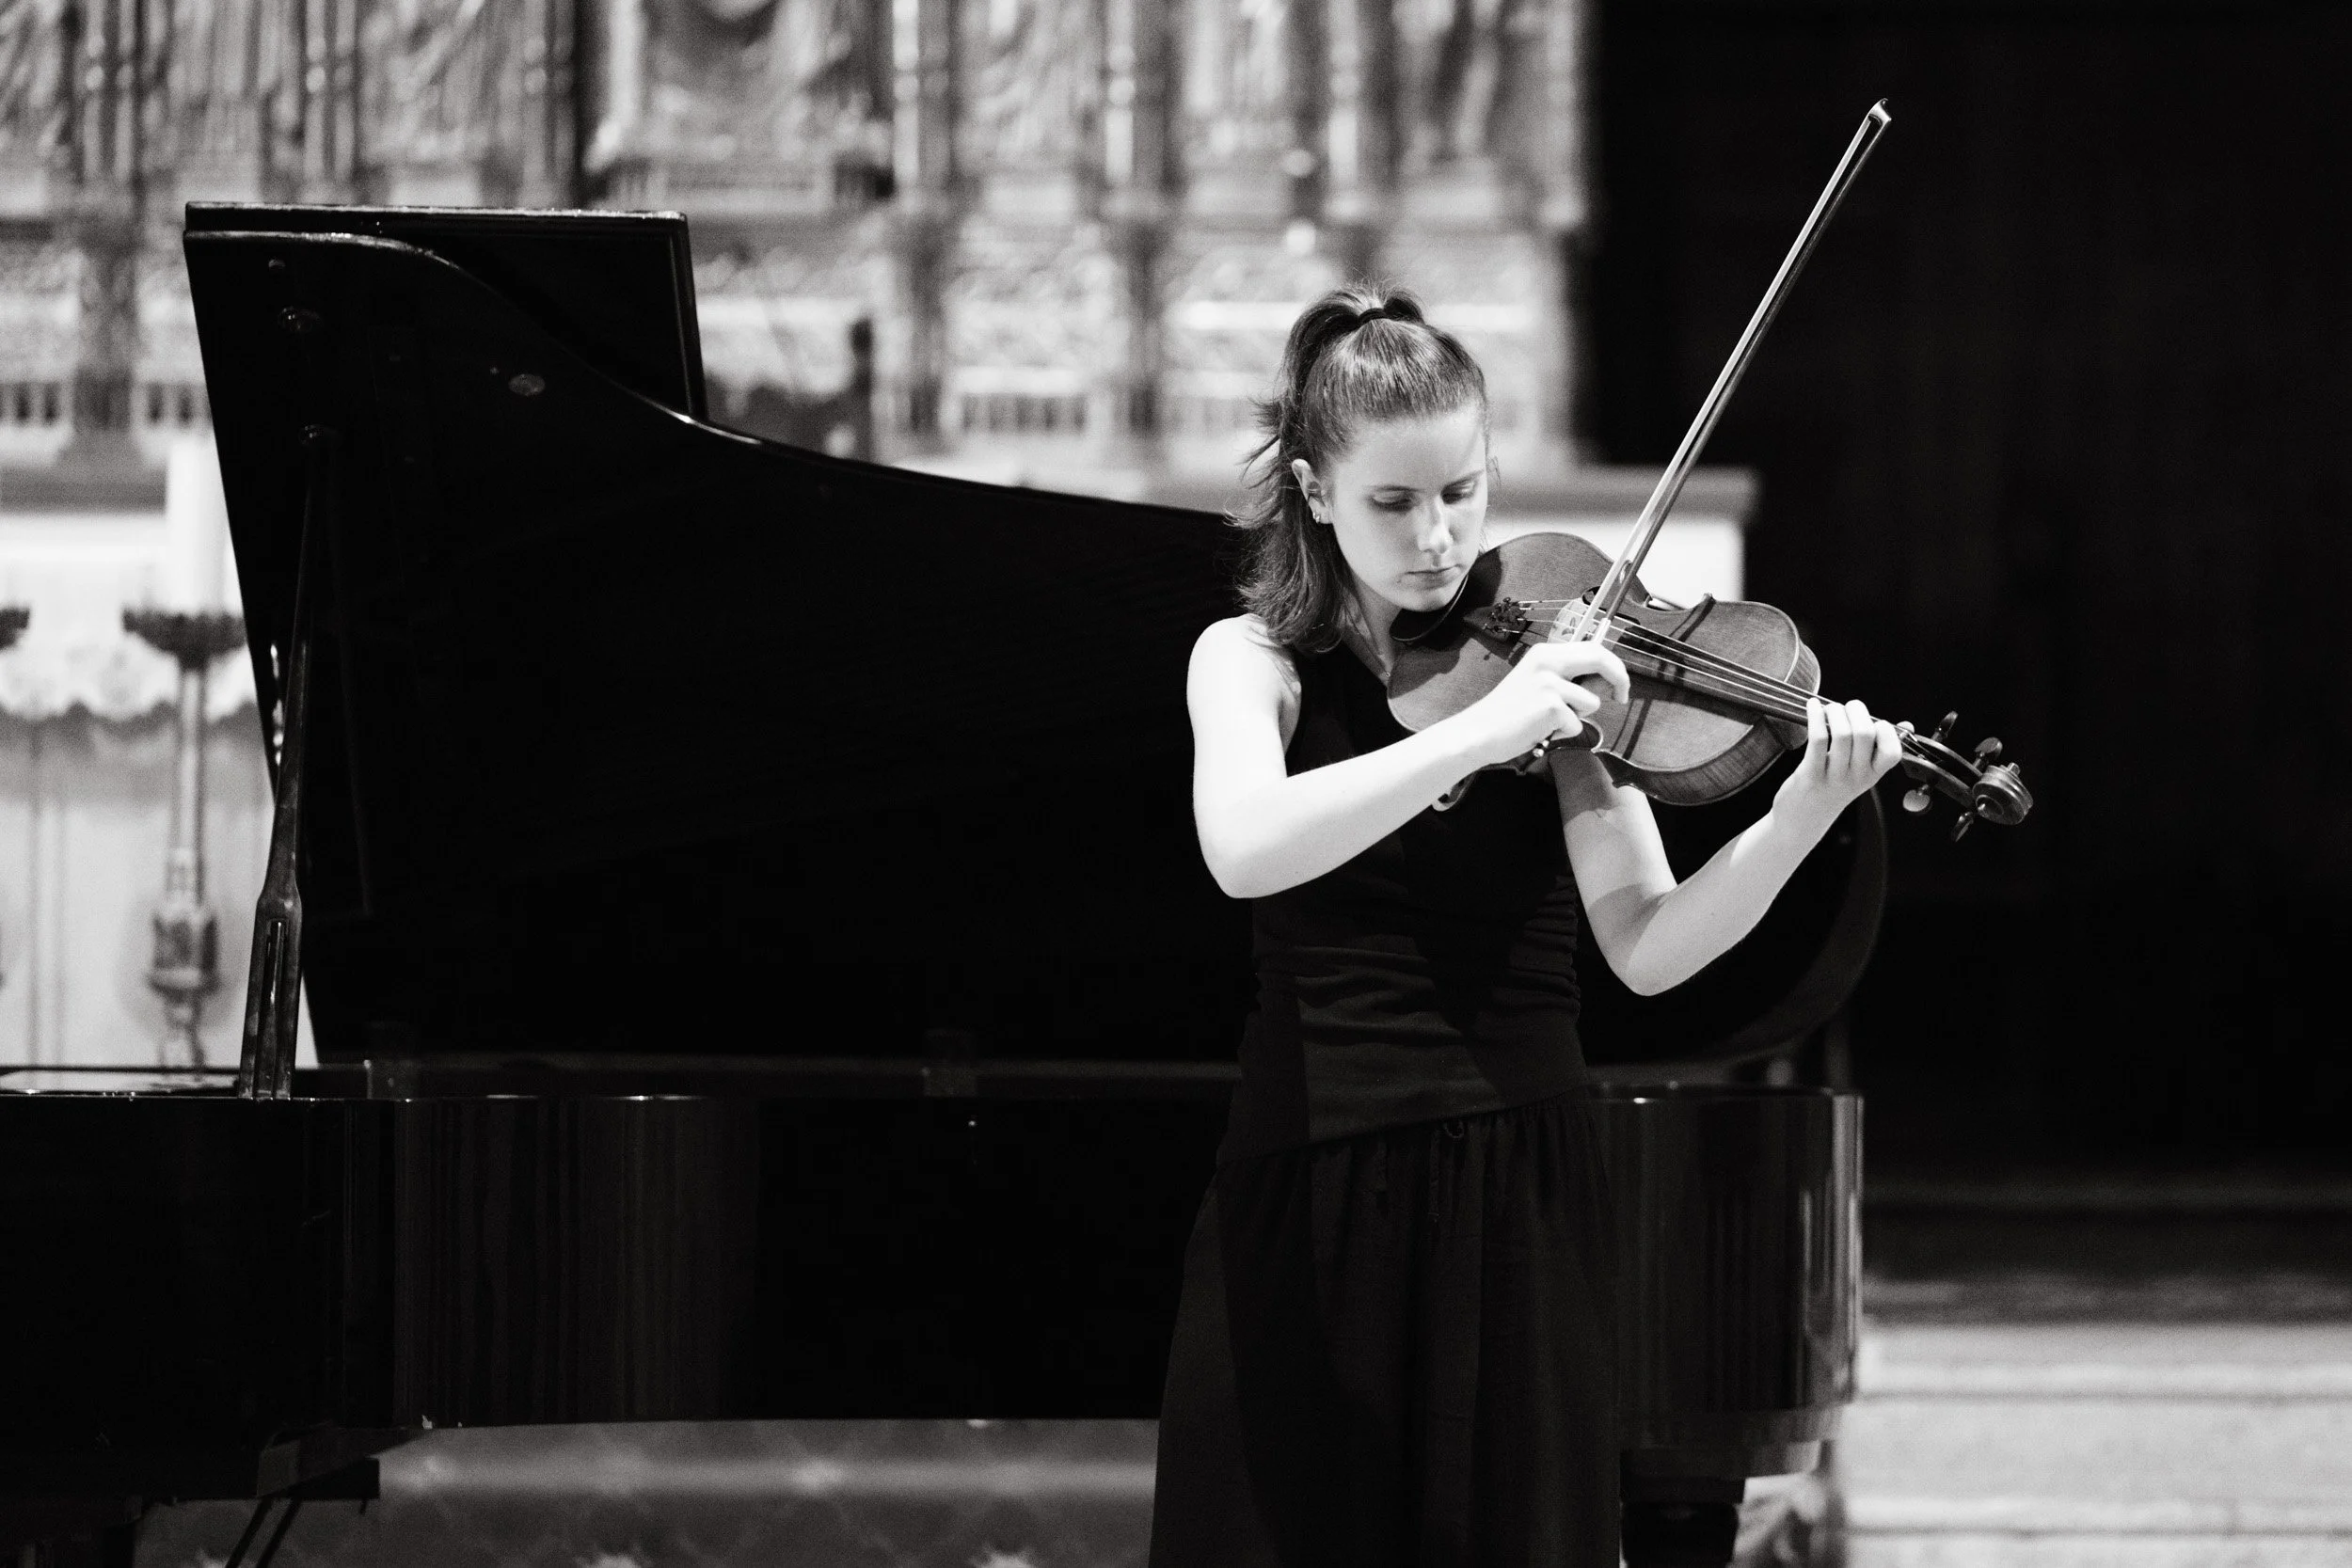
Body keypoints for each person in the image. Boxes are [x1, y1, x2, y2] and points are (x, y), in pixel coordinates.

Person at [1145, 284, 1901, 1568]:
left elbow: (1648, 946)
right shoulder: (1252, 662)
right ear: (1316, 493)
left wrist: (1797, 823)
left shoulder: (1555, 668)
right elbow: (1244, 847)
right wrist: (1488, 727)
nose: (1439, 538)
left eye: (1465, 491)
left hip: (1519, 1189)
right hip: (1315, 1176)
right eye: (1393, 502)